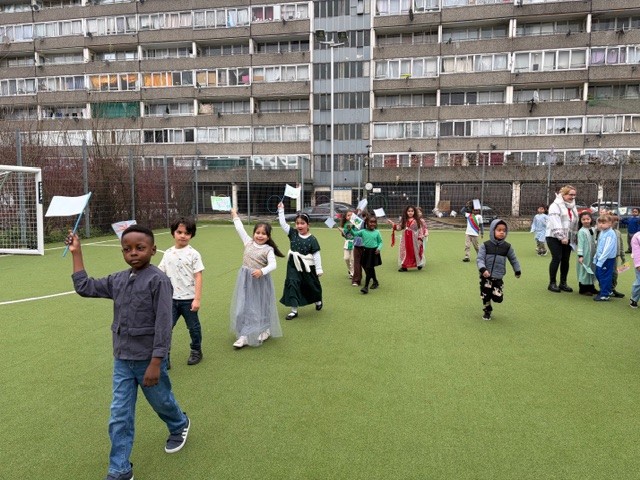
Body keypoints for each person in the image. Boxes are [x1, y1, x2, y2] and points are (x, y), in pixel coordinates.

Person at [66, 225, 190, 480]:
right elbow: (85, 287)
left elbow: (163, 324)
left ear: (153, 250)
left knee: (161, 401)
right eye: (127, 249)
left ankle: (179, 423)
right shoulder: (118, 280)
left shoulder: (158, 281)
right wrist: (76, 253)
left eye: (139, 248)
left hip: (148, 360)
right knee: (119, 415)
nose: (133, 253)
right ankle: (120, 469)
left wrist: (156, 361)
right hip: (122, 359)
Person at [230, 208, 284, 348]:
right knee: (243, 307)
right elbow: (240, 228)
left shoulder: (268, 250)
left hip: (260, 282)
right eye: (258, 233)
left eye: (263, 234)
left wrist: (262, 271)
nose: (260, 236)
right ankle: (243, 335)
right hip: (245, 281)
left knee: (260, 307)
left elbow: (273, 265)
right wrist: (235, 215)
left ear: (268, 236)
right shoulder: (248, 242)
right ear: (254, 233)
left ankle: (265, 329)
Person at [158, 217, 205, 366]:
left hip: (189, 299)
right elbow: (160, 273)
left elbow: (198, 276)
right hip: (170, 299)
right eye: (179, 232)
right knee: (166, 328)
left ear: (191, 235)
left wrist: (197, 299)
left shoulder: (193, 254)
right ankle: (164, 356)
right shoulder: (168, 253)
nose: (183, 236)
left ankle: (196, 350)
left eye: (187, 233)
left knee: (193, 327)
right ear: (173, 233)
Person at [277, 201, 323, 319]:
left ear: (308, 224)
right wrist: (281, 210)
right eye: (297, 223)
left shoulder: (312, 239)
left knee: (311, 284)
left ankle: (317, 300)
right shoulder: (293, 234)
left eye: (302, 223)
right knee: (293, 284)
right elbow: (283, 224)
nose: (299, 226)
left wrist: (318, 269)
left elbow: (316, 254)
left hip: (307, 266)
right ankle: (294, 310)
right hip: (293, 264)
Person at [476, 219, 521, 320]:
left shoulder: (507, 247)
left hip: (498, 276)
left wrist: (517, 270)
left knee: (498, 298)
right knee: (485, 295)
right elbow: (480, 259)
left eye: (504, 230)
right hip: (485, 276)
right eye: (499, 230)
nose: (501, 232)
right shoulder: (485, 245)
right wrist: (483, 269)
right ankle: (487, 310)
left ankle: (494, 295)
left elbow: (513, 259)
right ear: (493, 231)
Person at [545, 185, 579, 293]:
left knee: (565, 259)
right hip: (553, 236)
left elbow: (574, 222)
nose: (573, 197)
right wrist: (561, 236)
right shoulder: (555, 205)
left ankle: (563, 283)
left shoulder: (573, 206)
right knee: (557, 258)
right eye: (570, 194)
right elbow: (555, 222)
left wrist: (574, 236)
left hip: (568, 237)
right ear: (563, 194)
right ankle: (552, 283)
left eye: (574, 195)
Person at [388, 205, 427, 271]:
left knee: (415, 252)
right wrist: (392, 223)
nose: (410, 212)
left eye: (412, 211)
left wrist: (420, 238)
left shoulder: (417, 221)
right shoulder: (404, 220)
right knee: (403, 251)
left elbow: (420, 230)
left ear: (414, 212)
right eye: (409, 211)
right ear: (406, 212)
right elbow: (399, 228)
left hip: (414, 240)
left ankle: (418, 264)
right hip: (405, 240)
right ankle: (404, 266)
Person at [353, 214, 383, 294]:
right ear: (366, 223)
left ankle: (366, 287)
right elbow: (354, 234)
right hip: (366, 252)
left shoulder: (377, 232)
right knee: (370, 268)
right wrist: (350, 229)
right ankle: (375, 281)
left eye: (374, 222)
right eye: (371, 222)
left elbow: (380, 242)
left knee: (369, 268)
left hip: (374, 252)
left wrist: (379, 248)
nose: (373, 224)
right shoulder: (363, 231)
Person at [593, 214, 618, 301]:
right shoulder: (602, 232)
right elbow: (599, 246)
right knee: (598, 274)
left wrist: (601, 260)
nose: (601, 225)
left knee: (604, 276)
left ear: (610, 223)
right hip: (600, 258)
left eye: (603, 223)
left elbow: (607, 248)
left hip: (606, 259)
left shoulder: (610, 233)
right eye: (599, 223)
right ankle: (607, 290)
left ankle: (605, 295)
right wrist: (596, 257)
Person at [576, 211, 599, 295]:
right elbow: (580, 244)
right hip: (585, 254)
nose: (586, 221)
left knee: (592, 269)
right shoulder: (581, 231)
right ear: (580, 220)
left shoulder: (593, 229)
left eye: (588, 219)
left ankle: (591, 287)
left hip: (592, 253)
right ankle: (583, 288)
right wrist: (580, 255)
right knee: (585, 269)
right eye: (583, 219)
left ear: (591, 219)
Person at [340, 210, 357, 280]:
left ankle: (352, 273)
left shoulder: (356, 223)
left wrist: (352, 227)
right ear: (346, 217)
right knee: (346, 258)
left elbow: (357, 233)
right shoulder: (345, 224)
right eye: (348, 215)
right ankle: (350, 270)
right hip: (347, 243)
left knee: (353, 259)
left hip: (354, 242)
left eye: (351, 215)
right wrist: (342, 232)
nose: (350, 216)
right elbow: (345, 235)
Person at [629, 230, 640, 309]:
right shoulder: (637, 236)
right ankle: (634, 299)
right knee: (639, 282)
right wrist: (638, 264)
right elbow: (636, 252)